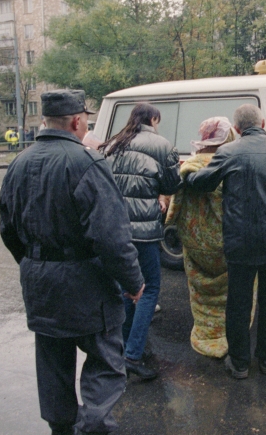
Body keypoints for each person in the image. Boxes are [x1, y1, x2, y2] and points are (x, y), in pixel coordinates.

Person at [0, 90, 145, 435]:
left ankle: (61, 426)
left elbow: (7, 228)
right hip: (84, 282)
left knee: (52, 360)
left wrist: (34, 262)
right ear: (78, 121)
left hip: (39, 280)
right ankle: (94, 428)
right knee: (106, 361)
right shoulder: (86, 162)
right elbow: (112, 235)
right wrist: (133, 281)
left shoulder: (19, 163)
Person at [185, 104, 266, 379]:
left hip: (240, 244)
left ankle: (239, 364)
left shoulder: (228, 152)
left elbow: (202, 183)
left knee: (238, 304)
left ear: (237, 129)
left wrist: (186, 174)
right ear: (262, 122)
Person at [99, 103, 180, 381]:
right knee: (149, 288)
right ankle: (132, 355)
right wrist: (157, 194)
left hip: (116, 229)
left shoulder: (111, 145)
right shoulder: (161, 144)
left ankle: (123, 348)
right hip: (145, 230)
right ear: (153, 119)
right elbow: (171, 184)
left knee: (126, 287)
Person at [166, 117, 239, 358]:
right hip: (227, 242)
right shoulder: (233, 163)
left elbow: (174, 211)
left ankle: (207, 336)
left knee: (201, 295)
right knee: (234, 292)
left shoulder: (188, 166)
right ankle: (231, 335)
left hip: (197, 245)